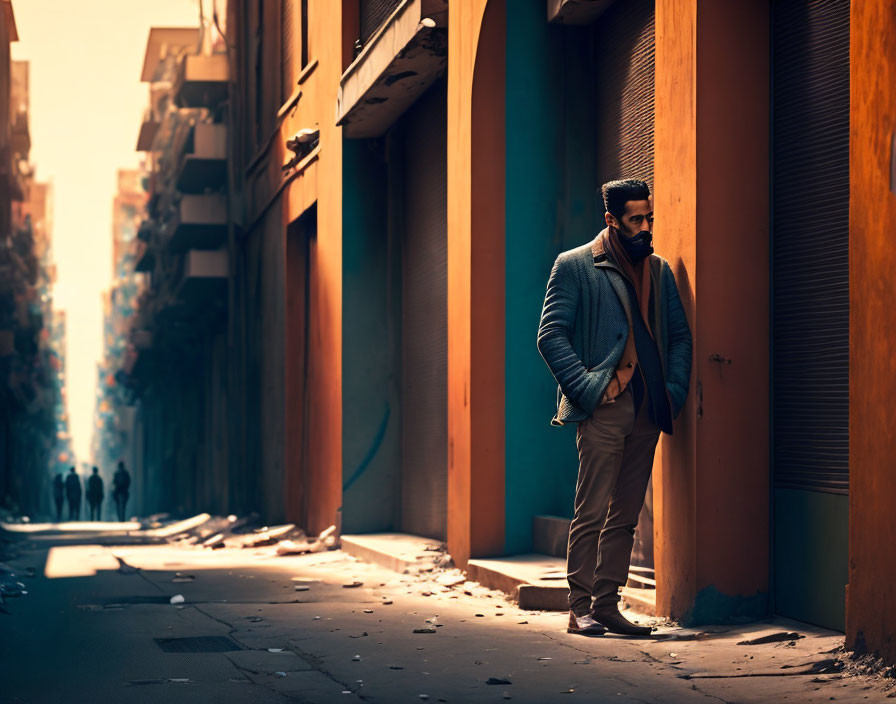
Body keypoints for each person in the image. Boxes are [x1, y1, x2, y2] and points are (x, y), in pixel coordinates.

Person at [537, 179, 692, 637]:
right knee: (592, 510)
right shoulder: (576, 265)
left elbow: (680, 337)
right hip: (604, 407)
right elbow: (550, 336)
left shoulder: (658, 271)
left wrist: (675, 391)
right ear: (611, 220)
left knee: (625, 513)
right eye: (635, 220)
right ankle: (578, 606)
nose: (645, 228)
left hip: (648, 406)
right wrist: (586, 388)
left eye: (649, 218)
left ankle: (607, 604)